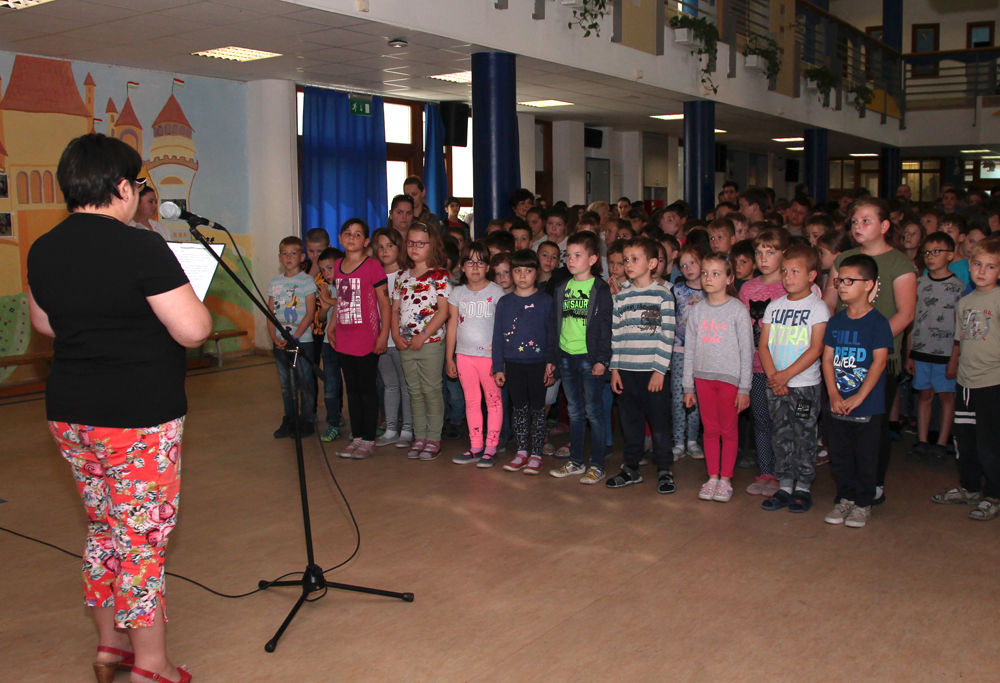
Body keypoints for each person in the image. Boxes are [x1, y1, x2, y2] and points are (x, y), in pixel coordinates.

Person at [28, 132, 212, 683]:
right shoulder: (141, 247)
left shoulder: (44, 248)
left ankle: (111, 645)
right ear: (123, 187)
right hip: (137, 416)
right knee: (142, 540)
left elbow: (44, 323)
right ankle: (151, 665)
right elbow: (193, 330)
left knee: (104, 526)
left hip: (70, 412)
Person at [823, 198, 917, 506]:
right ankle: (847, 487)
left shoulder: (899, 263)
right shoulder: (845, 258)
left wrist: (871, 342)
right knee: (840, 424)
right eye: (854, 221)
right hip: (841, 354)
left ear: (884, 226)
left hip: (880, 358)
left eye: (866, 220)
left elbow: (905, 313)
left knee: (872, 427)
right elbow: (829, 303)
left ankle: (872, 484)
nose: (857, 226)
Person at [822, 254, 894, 528]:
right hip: (838, 403)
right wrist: (833, 394)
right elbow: (827, 359)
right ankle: (845, 499)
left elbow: (879, 362)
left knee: (865, 457)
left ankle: (863, 503)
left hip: (867, 406)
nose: (841, 285)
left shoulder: (878, 323)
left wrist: (859, 396)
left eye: (849, 281)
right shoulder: (836, 321)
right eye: (839, 280)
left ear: (869, 285)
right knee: (840, 456)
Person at [757, 244, 830, 513]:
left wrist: (785, 376)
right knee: (781, 434)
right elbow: (763, 346)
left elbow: (816, 348)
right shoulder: (774, 307)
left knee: (804, 435)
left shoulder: (818, 308)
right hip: (776, 385)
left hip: (804, 387)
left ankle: (803, 487)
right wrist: (774, 378)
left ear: (811, 276)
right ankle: (785, 485)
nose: (788, 277)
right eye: (785, 271)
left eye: (795, 271)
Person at [931, 239, 1000, 518]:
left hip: (992, 384)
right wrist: (953, 363)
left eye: (991, 266)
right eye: (978, 264)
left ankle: (994, 494)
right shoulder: (965, 302)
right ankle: (970, 487)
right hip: (965, 383)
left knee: (989, 443)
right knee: (964, 440)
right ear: (969, 265)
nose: (982, 271)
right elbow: (959, 341)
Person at [606, 237, 677, 493]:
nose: (628, 264)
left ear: (652, 263)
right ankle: (631, 468)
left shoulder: (663, 295)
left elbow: (667, 335)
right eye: (626, 259)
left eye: (635, 259)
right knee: (630, 422)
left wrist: (659, 371)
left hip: (652, 372)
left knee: (659, 423)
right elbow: (616, 335)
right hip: (627, 370)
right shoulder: (622, 297)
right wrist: (615, 369)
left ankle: (664, 469)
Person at [683, 253, 754, 503]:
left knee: (729, 430)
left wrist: (744, 388)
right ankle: (712, 477)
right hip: (703, 379)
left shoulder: (738, 310)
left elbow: (747, 351)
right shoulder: (697, 311)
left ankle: (726, 480)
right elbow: (689, 350)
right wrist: (688, 386)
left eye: (716, 273)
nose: (708, 278)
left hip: (729, 380)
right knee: (710, 430)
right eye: (705, 273)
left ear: (729, 278)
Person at [547, 231, 613, 484]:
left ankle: (597, 465)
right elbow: (554, 324)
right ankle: (576, 461)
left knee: (594, 412)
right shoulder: (561, 287)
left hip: (589, 358)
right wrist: (552, 357)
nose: (571, 260)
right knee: (574, 412)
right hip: (566, 356)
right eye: (569, 255)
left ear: (593, 259)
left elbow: (606, 327)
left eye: (578, 255)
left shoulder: (600, 289)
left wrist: (602, 360)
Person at [325, 219, 390, 460]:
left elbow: (384, 303)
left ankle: (369, 440)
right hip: (344, 338)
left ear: (366, 241)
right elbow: (341, 300)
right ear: (340, 238)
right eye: (347, 233)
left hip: (367, 339)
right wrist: (332, 326)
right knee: (351, 391)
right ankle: (358, 437)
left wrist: (383, 335)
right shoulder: (338, 265)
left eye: (357, 234)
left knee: (367, 390)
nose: (352, 238)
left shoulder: (373, 266)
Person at [391, 222, 452, 460]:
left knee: (431, 390)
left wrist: (423, 336)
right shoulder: (401, 276)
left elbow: (443, 312)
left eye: (421, 243)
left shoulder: (440, 275)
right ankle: (420, 437)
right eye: (411, 242)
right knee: (414, 391)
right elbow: (395, 309)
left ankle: (433, 439)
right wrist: (396, 335)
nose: (415, 247)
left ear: (432, 245)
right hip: (406, 343)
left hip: (430, 343)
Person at [904, 232, 963, 465]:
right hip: (921, 351)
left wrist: (955, 357)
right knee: (924, 395)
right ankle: (922, 441)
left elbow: (960, 327)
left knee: (946, 396)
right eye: (927, 252)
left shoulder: (958, 287)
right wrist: (910, 354)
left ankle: (941, 442)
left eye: (936, 252)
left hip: (945, 353)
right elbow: (911, 320)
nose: (930, 256)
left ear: (950, 255)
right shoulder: (919, 284)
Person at [493, 249, 553, 473]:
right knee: (519, 410)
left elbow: (552, 334)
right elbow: (497, 336)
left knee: (537, 410)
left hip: (538, 364)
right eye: (517, 271)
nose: (522, 276)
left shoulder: (546, 301)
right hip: (513, 364)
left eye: (528, 271)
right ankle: (521, 452)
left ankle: (536, 454)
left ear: (536, 273)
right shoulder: (504, 302)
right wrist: (498, 367)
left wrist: (551, 363)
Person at [447, 240, 506, 465]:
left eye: (480, 263)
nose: (475, 267)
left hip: (489, 358)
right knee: (471, 402)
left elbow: (502, 329)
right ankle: (476, 446)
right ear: (462, 267)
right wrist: (449, 358)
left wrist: (499, 360)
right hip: (464, 356)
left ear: (488, 267)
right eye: (470, 262)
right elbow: (452, 327)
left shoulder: (497, 292)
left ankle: (491, 447)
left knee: (493, 402)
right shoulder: (457, 293)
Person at [268, 236, 318, 438]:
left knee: (304, 383)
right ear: (280, 257)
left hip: (301, 341)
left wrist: (295, 336)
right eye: (285, 254)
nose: (289, 257)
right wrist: (273, 336)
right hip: (281, 342)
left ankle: (307, 420)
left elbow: (310, 312)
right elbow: (270, 313)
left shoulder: (307, 281)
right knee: (286, 385)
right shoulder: (275, 282)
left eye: (293, 253)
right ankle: (290, 419)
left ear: (302, 257)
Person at [370, 227, 413, 449]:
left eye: (389, 246)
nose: (384, 251)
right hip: (380, 340)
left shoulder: (406, 275)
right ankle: (390, 429)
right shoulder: (373, 275)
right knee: (390, 384)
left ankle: (408, 429)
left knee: (406, 385)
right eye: (380, 247)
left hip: (400, 339)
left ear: (399, 248)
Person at [671, 244, 706, 460]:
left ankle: (692, 440)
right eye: (683, 265)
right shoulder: (676, 290)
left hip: (704, 351)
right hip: (679, 349)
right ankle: (678, 442)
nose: (688, 268)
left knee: (697, 397)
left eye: (693, 263)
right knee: (678, 397)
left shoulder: (710, 289)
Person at [313, 243, 346, 442]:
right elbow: (322, 318)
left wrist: (329, 300)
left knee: (352, 385)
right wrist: (324, 307)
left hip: (348, 342)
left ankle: (358, 426)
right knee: (331, 385)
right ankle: (333, 423)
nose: (326, 273)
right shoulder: (326, 289)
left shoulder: (348, 285)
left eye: (330, 268)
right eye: (323, 269)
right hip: (328, 342)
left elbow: (347, 304)